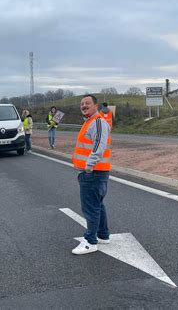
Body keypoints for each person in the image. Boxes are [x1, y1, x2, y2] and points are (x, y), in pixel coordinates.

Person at [71, 94, 111, 255]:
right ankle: (103, 235)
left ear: (96, 106)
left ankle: (90, 241)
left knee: (90, 208)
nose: (84, 106)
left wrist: (89, 165)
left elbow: (99, 146)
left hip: (94, 172)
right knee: (98, 205)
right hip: (93, 172)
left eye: (87, 103)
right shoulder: (89, 122)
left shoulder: (98, 122)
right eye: (82, 104)